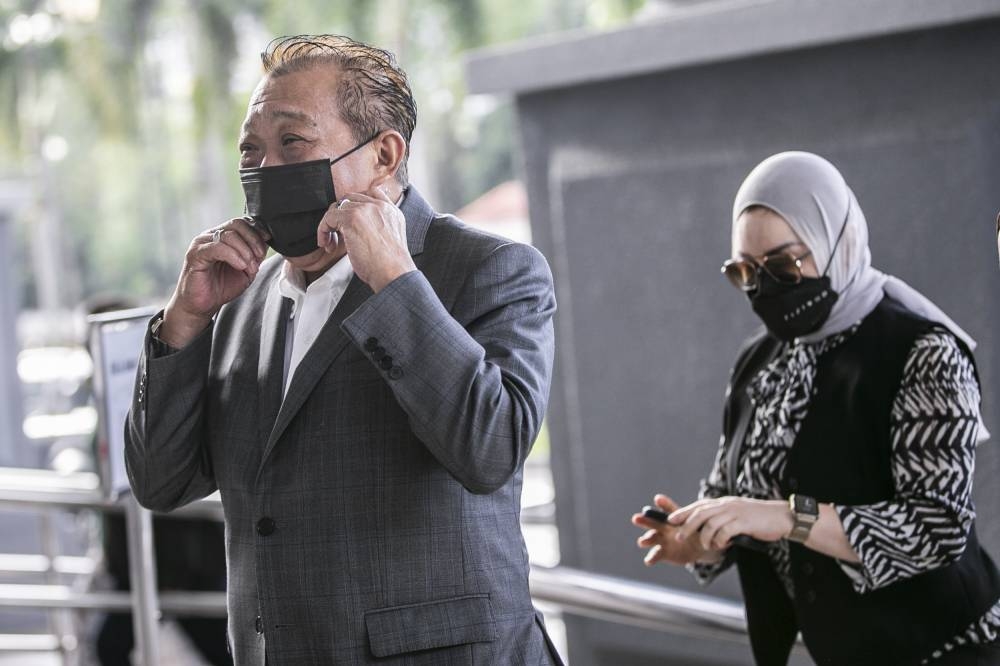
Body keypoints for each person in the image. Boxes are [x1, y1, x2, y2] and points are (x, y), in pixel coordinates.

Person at [124, 34, 561, 665]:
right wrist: (185, 319)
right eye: (251, 150)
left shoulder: (490, 268)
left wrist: (395, 280)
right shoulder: (241, 300)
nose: (265, 169)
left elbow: (490, 449)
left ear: (384, 154)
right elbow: (161, 483)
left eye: (292, 143)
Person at [631, 152, 1000, 666]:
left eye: (784, 264)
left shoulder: (923, 352)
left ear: (837, 238)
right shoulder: (759, 358)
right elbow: (734, 499)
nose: (764, 288)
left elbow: (936, 528)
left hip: (943, 650)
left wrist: (787, 517)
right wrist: (702, 540)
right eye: (745, 272)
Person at [83, 295, 231, 666]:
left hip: (188, 562)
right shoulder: (111, 402)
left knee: (227, 647)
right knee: (109, 646)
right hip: (152, 563)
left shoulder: (170, 382)